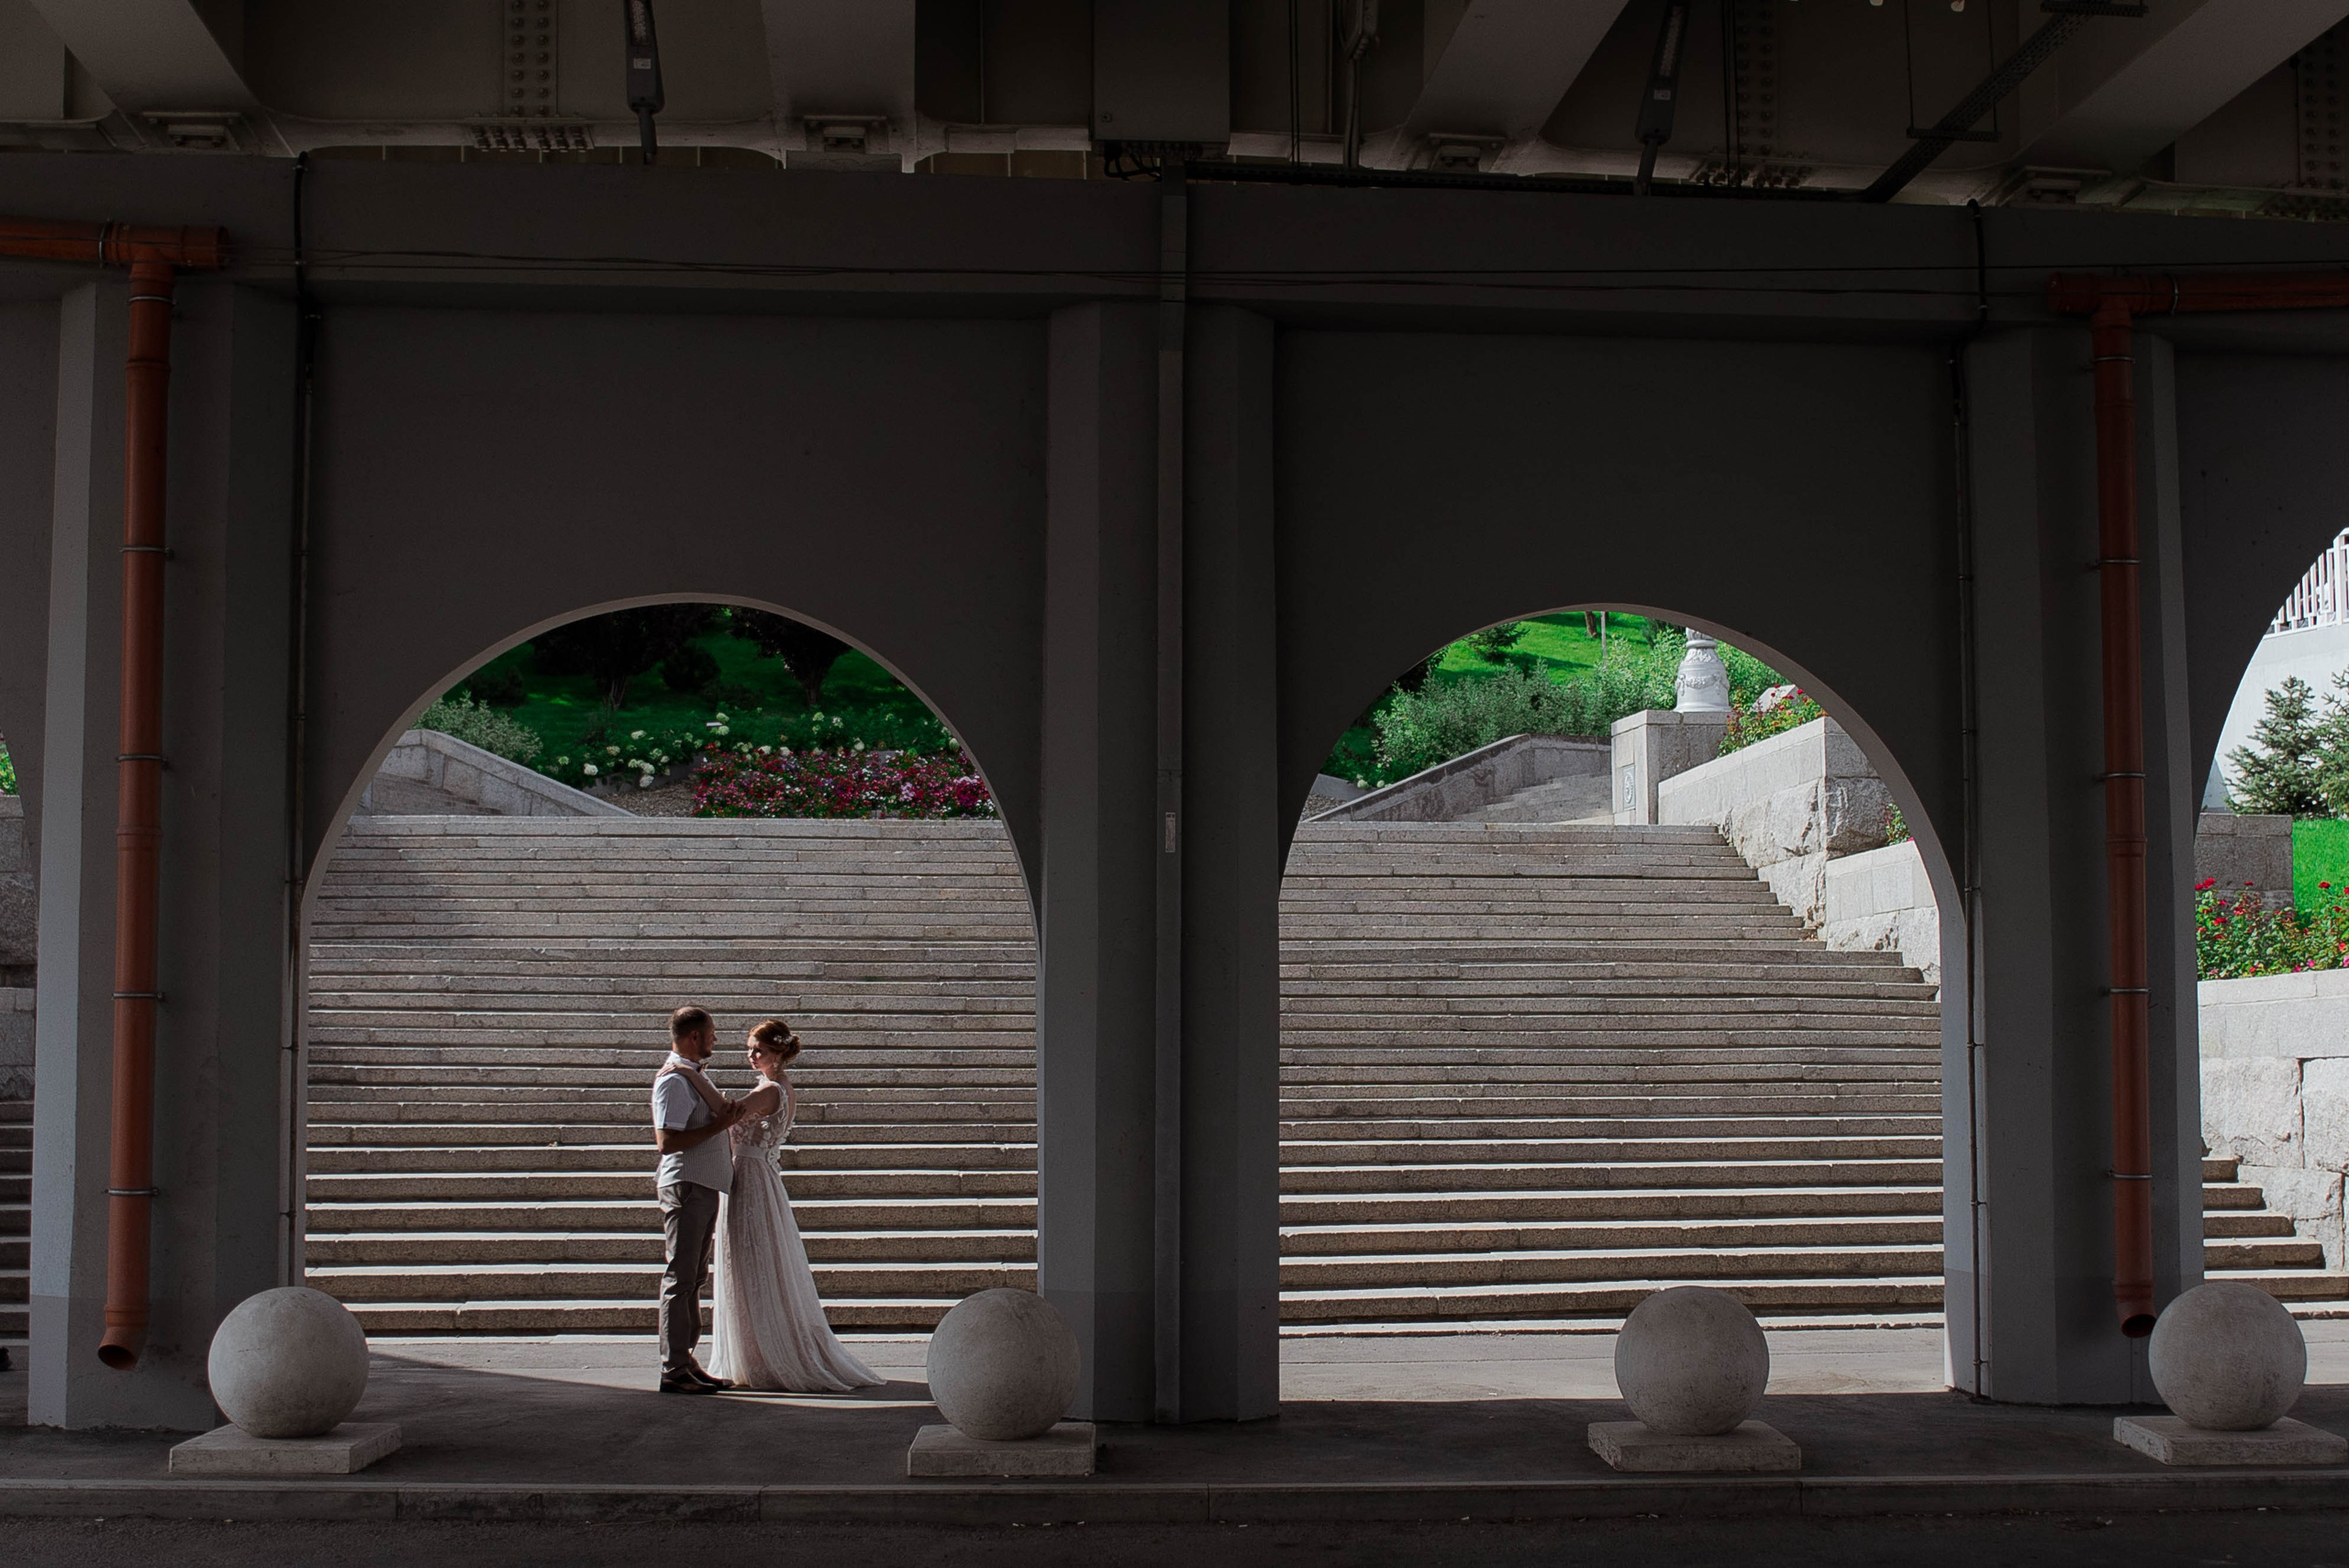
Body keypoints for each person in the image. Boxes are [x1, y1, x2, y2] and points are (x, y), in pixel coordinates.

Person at [669, 1018, 883, 1393]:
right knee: (757, 1263)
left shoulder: (770, 1090)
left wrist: (692, 1076)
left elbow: (727, 1114)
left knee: (754, 1262)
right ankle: (756, 1351)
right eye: (749, 1048)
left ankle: (765, 1353)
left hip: (751, 1177)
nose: (751, 1055)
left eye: (759, 1050)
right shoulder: (779, 1087)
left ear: (778, 1054)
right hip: (756, 1174)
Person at [651, 1004, 744, 1395]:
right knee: (681, 1275)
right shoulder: (674, 1080)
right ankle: (673, 1368)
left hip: (702, 1185)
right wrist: (721, 1126)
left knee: (694, 1277)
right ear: (694, 1037)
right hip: (686, 1186)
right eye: (711, 1033)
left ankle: (686, 1359)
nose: (715, 1039)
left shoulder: (690, 1075)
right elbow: (667, 1141)